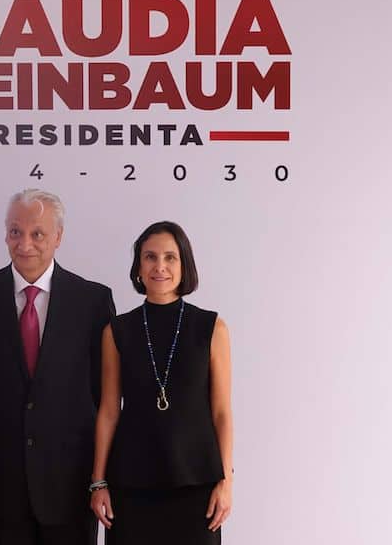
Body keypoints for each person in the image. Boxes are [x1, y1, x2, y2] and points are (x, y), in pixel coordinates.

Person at [0, 189, 115, 545]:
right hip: (1, 478)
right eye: (15, 232)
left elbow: (104, 391)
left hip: (71, 480)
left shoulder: (93, 301)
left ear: (58, 237)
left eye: (37, 233)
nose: (25, 243)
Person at [89, 221, 234, 544]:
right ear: (139, 267)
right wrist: (98, 482)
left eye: (170, 257)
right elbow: (109, 411)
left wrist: (226, 482)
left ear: (185, 265)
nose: (160, 267)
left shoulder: (212, 328)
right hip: (131, 487)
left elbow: (221, 412)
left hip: (198, 486)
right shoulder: (117, 331)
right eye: (150, 257)